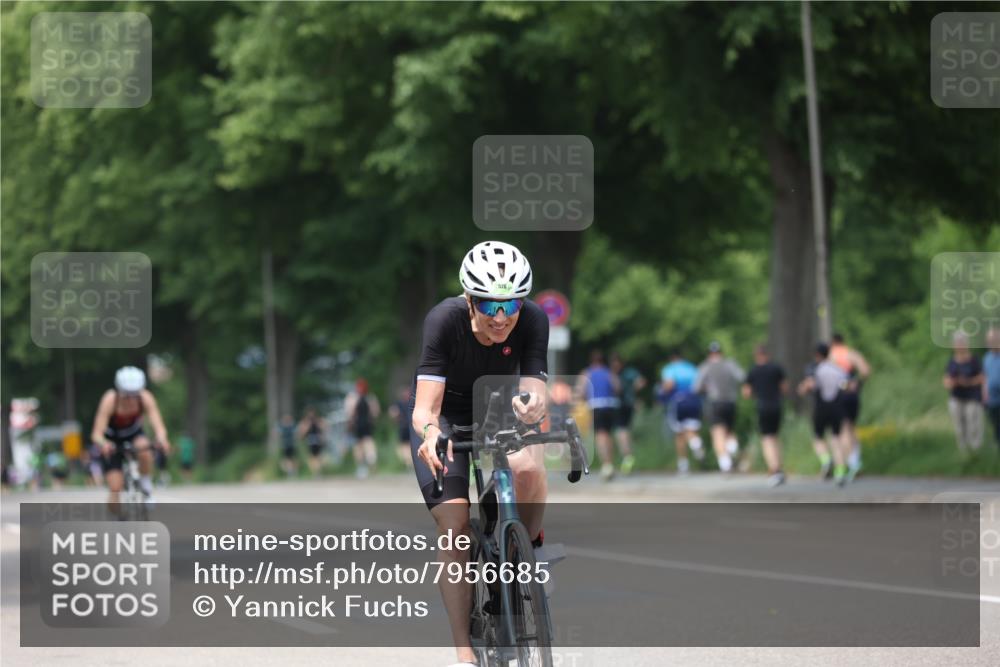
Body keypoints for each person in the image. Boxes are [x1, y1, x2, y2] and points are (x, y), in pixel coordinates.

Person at [410, 241, 548, 667]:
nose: (502, 317)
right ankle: (464, 651)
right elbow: (424, 409)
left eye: (511, 304)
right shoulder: (443, 321)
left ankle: (523, 543)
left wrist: (534, 405)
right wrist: (431, 433)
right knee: (454, 530)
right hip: (446, 419)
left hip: (497, 408)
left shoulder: (534, 320)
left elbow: (536, 388)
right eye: (490, 306)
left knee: (528, 464)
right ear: (471, 300)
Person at [90, 366, 171, 516]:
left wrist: (162, 439)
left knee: (144, 447)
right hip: (111, 441)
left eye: (135, 394)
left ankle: (146, 487)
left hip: (134, 435)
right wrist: (104, 444)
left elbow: (158, 426)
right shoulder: (109, 400)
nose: (131, 399)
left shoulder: (145, 398)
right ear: (119, 391)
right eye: (127, 395)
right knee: (115, 486)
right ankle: (118, 518)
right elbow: (96, 434)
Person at [798, 344, 851, 486]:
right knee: (836, 439)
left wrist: (803, 389)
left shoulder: (816, 370)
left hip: (820, 407)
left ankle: (826, 460)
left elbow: (809, 386)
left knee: (817, 437)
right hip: (836, 407)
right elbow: (847, 386)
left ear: (817, 355)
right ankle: (840, 472)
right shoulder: (838, 369)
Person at [694, 341, 745, 472]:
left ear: (709, 353)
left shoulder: (705, 366)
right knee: (729, 430)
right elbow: (743, 377)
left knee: (717, 432)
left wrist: (705, 388)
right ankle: (733, 448)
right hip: (730, 402)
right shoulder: (730, 364)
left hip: (715, 403)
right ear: (721, 352)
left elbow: (696, 388)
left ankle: (725, 463)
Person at [742, 344, 788, 486]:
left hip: (762, 407)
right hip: (776, 406)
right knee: (775, 437)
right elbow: (785, 388)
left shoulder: (753, 371)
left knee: (767, 439)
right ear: (767, 355)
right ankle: (780, 468)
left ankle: (773, 470)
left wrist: (756, 392)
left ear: (756, 355)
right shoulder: (776, 368)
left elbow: (746, 393)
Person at [829, 332, 871, 480]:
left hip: (839, 395)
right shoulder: (851, 354)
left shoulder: (830, 356)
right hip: (853, 394)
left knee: (843, 430)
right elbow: (866, 371)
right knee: (852, 427)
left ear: (832, 343)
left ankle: (851, 463)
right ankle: (856, 460)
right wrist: (857, 383)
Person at [577, 350, 622, 481]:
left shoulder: (587, 373)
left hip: (596, 406)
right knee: (608, 434)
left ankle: (606, 465)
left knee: (600, 435)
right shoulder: (609, 372)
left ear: (592, 360)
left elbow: (580, 392)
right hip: (611, 405)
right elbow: (618, 388)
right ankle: (610, 463)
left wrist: (585, 399)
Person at [659, 349, 704, 474]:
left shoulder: (670, 369)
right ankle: (696, 443)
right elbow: (700, 386)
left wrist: (661, 393)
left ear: (672, 358)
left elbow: (669, 384)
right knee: (692, 429)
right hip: (694, 401)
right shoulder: (692, 368)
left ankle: (683, 464)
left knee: (679, 434)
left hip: (678, 401)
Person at [943, 331, 984, 454]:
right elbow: (946, 381)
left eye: (962, 342)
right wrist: (954, 382)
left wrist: (969, 382)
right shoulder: (951, 362)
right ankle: (964, 452)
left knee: (973, 423)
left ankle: (976, 451)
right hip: (957, 397)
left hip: (973, 397)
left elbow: (982, 377)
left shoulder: (974, 360)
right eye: (957, 343)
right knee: (959, 427)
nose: (960, 345)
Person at [610, 352, 645, 476]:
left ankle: (627, 456)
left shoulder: (616, 374)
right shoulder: (629, 372)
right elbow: (641, 382)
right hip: (628, 404)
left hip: (621, 405)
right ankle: (627, 455)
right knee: (625, 430)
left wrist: (632, 390)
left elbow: (640, 382)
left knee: (621, 431)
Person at [345, 379, 380, 478]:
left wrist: (349, 424)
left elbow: (350, 413)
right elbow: (375, 412)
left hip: (357, 425)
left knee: (358, 447)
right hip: (367, 424)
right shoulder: (370, 398)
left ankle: (362, 467)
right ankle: (371, 459)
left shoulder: (352, 397)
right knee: (369, 443)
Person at [388, 387, 414, 469]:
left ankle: (408, 463)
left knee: (403, 446)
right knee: (410, 445)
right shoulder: (412, 403)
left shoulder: (399, 403)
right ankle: (411, 463)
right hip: (411, 427)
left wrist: (396, 419)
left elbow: (392, 412)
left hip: (403, 426)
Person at [297, 408, 329, 476]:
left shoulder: (318, 421)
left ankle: (318, 471)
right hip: (310, 441)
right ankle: (316, 472)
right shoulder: (305, 422)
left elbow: (325, 428)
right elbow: (301, 434)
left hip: (318, 441)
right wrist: (307, 426)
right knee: (312, 457)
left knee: (319, 457)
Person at [985, 327, 1000, 451]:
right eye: (990, 340)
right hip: (992, 399)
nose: (992, 342)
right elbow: (984, 377)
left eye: (994, 339)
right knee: (995, 424)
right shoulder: (987, 358)